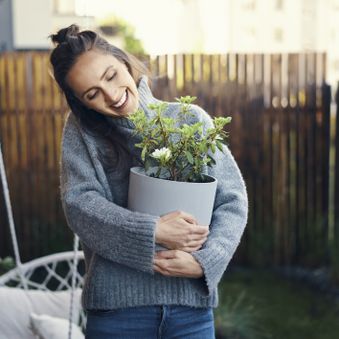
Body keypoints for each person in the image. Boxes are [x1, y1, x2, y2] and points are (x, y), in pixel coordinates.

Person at [49, 24, 248, 339]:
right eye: (92, 94)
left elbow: (232, 199)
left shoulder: (190, 120)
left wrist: (205, 262)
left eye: (111, 76)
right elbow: (79, 204)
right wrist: (154, 229)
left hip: (190, 312)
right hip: (116, 316)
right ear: (82, 103)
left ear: (124, 62)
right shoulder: (81, 133)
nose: (111, 96)